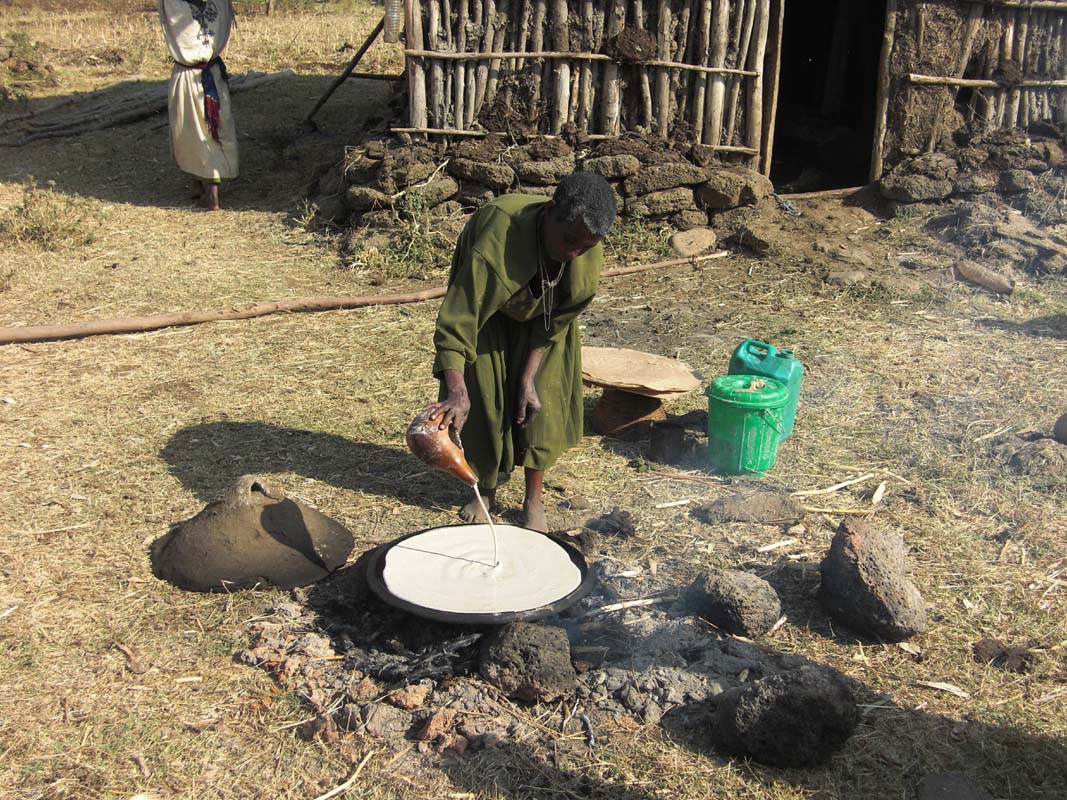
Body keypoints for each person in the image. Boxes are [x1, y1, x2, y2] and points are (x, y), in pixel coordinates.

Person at [427, 173, 617, 533]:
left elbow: (556, 323)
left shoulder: (586, 253)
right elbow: (460, 319)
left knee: (540, 404)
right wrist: (456, 388)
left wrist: (528, 378)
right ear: (549, 213)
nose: (573, 253)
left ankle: (533, 498)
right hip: (488, 314)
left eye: (585, 247)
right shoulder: (497, 238)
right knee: (482, 397)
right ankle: (486, 488)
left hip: (544, 316)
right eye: (568, 241)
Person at [158, 0, 239, 211]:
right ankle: (197, 185)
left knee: (197, 133)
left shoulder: (173, 4)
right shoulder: (219, 3)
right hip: (208, 75)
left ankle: (211, 195)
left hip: (193, 77)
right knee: (204, 131)